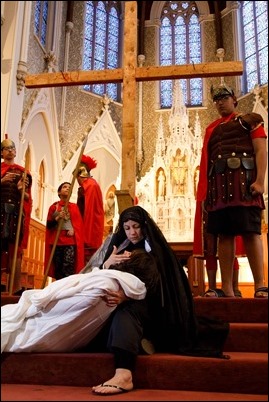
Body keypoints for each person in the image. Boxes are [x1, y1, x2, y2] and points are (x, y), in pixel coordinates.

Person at [86, 206, 229, 395]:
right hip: (115, 304)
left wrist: (127, 296)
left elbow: (159, 288)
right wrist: (107, 264)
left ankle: (124, 373)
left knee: (127, 310)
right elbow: (98, 278)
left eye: (136, 226)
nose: (132, 232)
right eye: (127, 228)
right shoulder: (118, 247)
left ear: (145, 226)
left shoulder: (156, 249)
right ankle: (139, 341)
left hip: (153, 308)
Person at [193, 84, 268, 298]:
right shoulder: (212, 129)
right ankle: (226, 288)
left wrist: (260, 181)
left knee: (251, 234)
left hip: (245, 187)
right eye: (217, 100)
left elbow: (261, 150)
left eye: (224, 98)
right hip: (219, 193)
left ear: (234, 99)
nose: (220, 102)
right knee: (224, 237)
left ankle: (260, 285)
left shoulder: (249, 121)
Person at [1, 249, 154, 353]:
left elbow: (68, 306)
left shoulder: (107, 285)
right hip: (55, 319)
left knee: (10, 325)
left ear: (132, 262)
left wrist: (39, 302)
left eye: (130, 253)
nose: (125, 252)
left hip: (47, 320)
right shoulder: (117, 283)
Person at [1, 137, 32, 295]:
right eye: (7, 148)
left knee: (15, 250)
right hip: (0, 213)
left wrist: (21, 190)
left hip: (15, 216)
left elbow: (27, 199)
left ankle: (14, 287)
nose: (11, 150)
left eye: (13, 148)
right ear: (2, 152)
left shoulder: (22, 172)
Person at [44, 182, 85, 280]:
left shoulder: (74, 207)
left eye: (69, 187)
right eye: (64, 187)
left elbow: (79, 225)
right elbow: (49, 226)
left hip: (70, 242)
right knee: (58, 267)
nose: (67, 188)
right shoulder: (54, 207)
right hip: (56, 242)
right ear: (59, 192)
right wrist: (57, 218)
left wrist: (74, 230)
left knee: (68, 266)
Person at [76, 154, 104, 264]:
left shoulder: (90, 186)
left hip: (89, 233)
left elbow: (89, 212)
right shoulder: (88, 186)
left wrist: (84, 235)